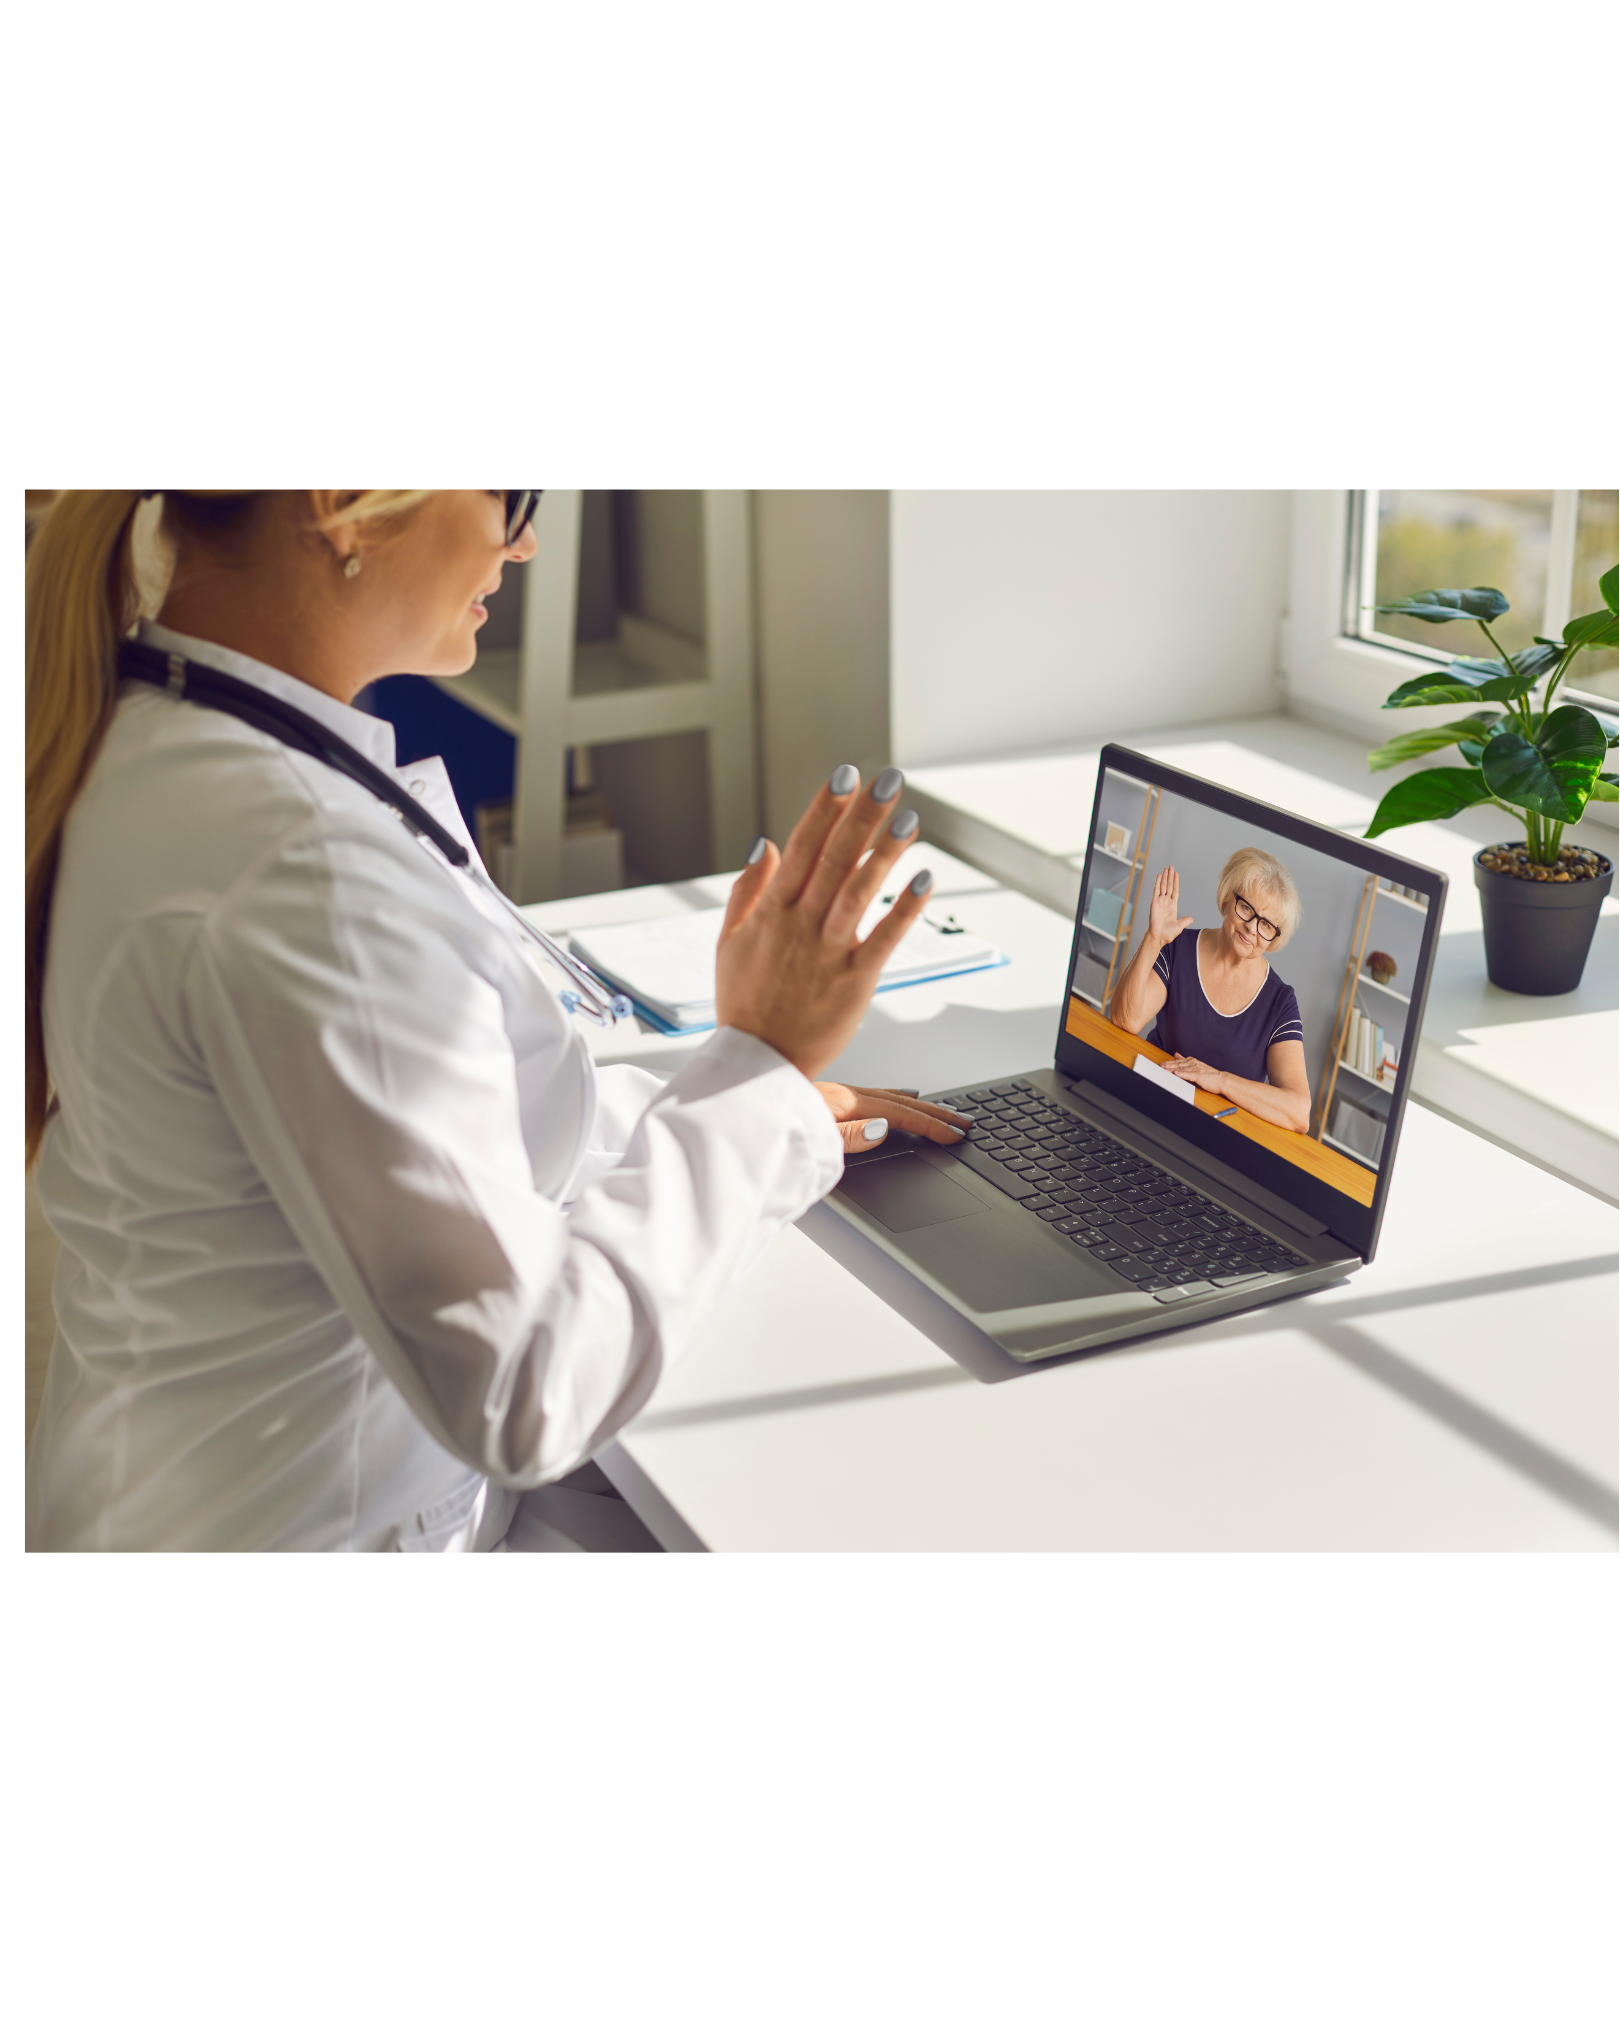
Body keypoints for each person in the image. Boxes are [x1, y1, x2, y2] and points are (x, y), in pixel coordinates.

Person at [22, 489, 968, 1550]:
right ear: (343, 507)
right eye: (510, 497)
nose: (523, 544)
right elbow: (529, 1388)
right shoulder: (305, 874)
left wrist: (735, 1106)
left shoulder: (162, 732)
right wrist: (761, 1064)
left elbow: (383, 1113)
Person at [1108, 846, 1309, 1134]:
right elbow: (1126, 1019)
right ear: (1227, 900)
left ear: (1274, 938)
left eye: (1266, 925)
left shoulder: (1280, 1001)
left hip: (1215, 1136)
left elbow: (1299, 1112)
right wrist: (1154, 939)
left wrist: (1219, 1080)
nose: (1252, 928)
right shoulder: (1178, 947)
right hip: (1149, 1106)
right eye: (1246, 909)